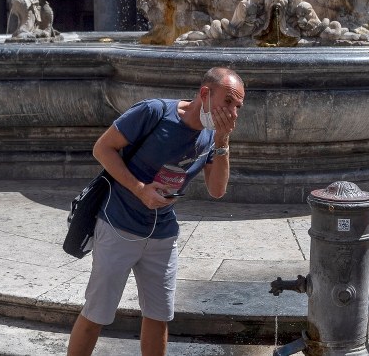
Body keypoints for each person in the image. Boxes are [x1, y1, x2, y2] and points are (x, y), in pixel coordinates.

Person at [67, 67, 245, 356]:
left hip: (162, 234)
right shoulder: (154, 112)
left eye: (238, 106)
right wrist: (139, 189)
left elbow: (217, 190)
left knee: (159, 315)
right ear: (204, 94)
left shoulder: (212, 137)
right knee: (97, 313)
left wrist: (223, 143)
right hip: (118, 225)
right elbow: (102, 149)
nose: (233, 113)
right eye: (227, 102)